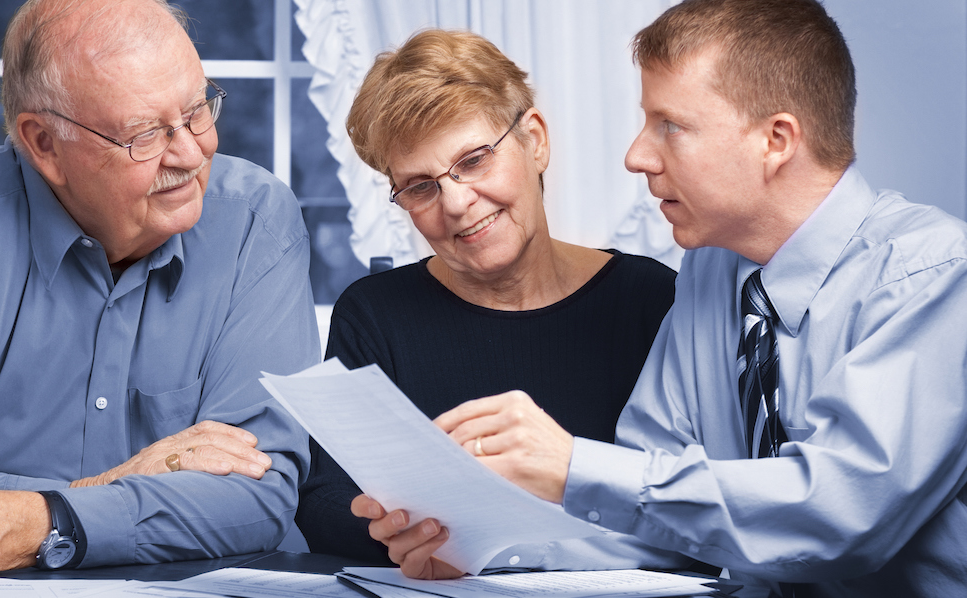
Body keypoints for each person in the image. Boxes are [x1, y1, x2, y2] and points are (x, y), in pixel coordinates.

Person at [353, 0, 967, 594]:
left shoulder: (933, 275)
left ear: (776, 140)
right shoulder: (710, 273)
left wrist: (570, 465)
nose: (636, 155)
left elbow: (840, 516)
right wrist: (482, 554)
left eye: (670, 125)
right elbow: (657, 516)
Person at [0, 0, 319, 580]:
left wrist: (41, 520)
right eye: (145, 133)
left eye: (198, 109)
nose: (190, 152)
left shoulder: (256, 219)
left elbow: (260, 494)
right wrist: (106, 490)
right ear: (44, 144)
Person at [295, 29, 682, 574]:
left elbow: (689, 498)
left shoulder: (650, 298)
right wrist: (413, 538)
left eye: (474, 160)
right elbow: (325, 501)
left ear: (535, 140)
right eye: (421, 187)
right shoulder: (374, 311)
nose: (456, 202)